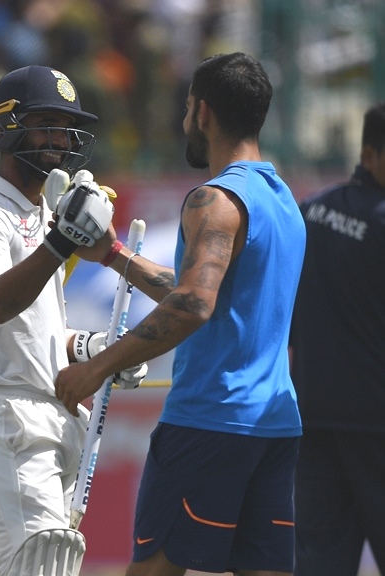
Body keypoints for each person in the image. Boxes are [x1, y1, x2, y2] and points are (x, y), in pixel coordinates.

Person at [55, 52, 305, 576]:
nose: (186, 119)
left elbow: (193, 304)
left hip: (210, 423)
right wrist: (114, 255)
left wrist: (94, 368)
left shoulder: (213, 200)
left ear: (205, 113)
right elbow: (200, 291)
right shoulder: (282, 202)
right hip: (274, 428)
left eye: (189, 107)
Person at [0, 64, 147, 576]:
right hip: (5, 417)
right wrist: (63, 242)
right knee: (37, 563)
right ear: (7, 128)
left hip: (49, 415)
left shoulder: (41, 217)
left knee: (39, 565)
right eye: (46, 123)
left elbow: (35, 333)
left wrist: (94, 350)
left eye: (67, 126)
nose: (60, 139)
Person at [290, 102, 385, 576]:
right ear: (370, 154)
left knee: (319, 565)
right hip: (375, 431)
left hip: (315, 423)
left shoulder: (309, 211)